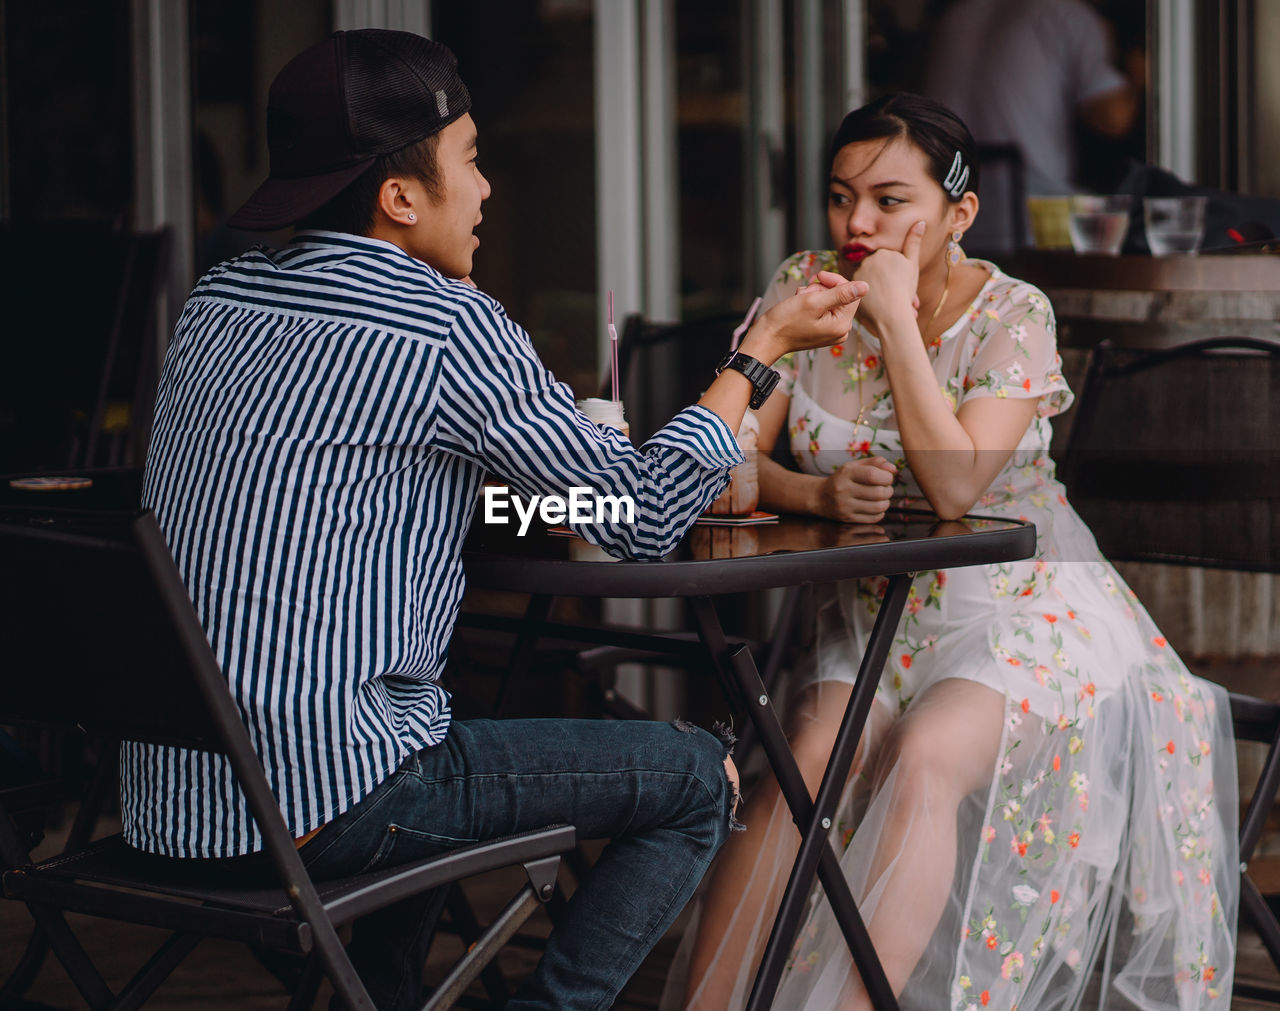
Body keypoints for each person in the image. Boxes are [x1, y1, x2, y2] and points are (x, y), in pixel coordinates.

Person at [120, 29, 869, 1011]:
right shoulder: (442, 324)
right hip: (321, 809)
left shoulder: (220, 297)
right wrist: (759, 351)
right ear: (398, 198)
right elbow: (639, 515)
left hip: (171, 809)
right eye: (470, 160)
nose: (487, 190)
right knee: (694, 775)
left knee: (429, 727)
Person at [674, 93, 1237, 1011]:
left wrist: (894, 318)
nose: (859, 223)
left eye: (891, 200)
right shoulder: (807, 281)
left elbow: (954, 489)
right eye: (840, 195)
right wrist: (809, 491)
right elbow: (730, 457)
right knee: (803, 760)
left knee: (926, 753)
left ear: (959, 212)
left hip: (1025, 611)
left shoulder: (1014, 313)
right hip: (869, 615)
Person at [921, 0, 1142, 197]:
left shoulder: (957, 15)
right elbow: (1114, 118)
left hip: (950, 208)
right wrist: (1141, 71)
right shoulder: (1067, 14)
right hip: (1033, 213)